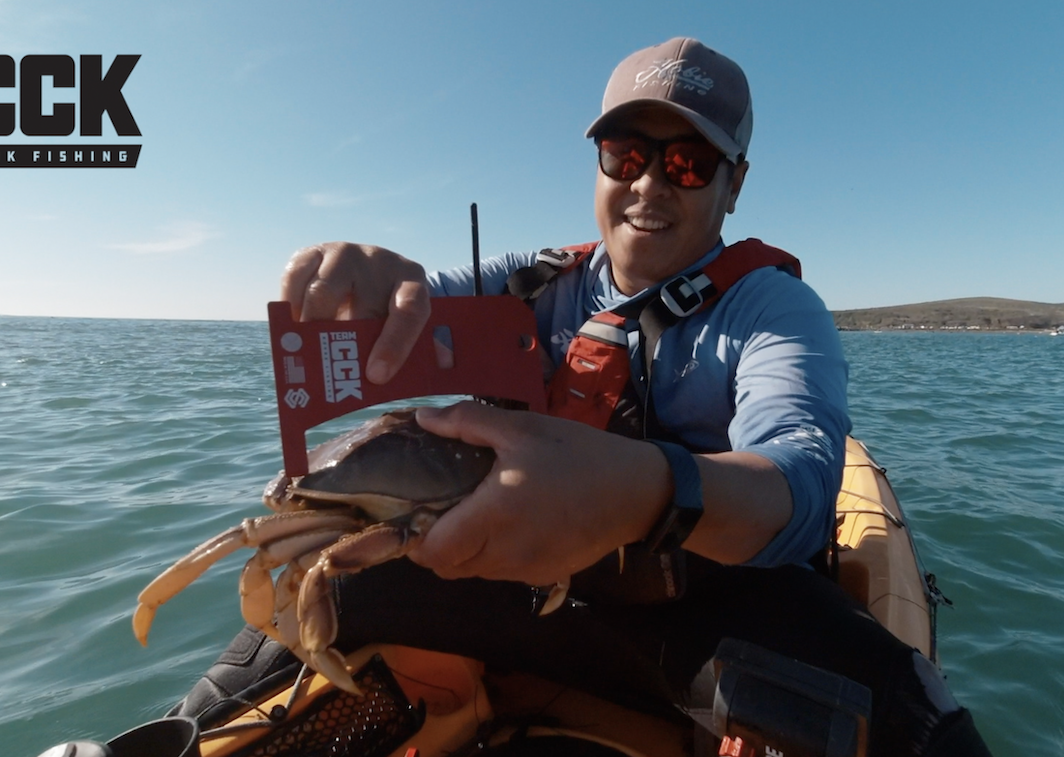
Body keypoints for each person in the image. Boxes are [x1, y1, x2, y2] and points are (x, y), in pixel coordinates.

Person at [178, 38, 991, 756]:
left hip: (687, 612)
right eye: (626, 153)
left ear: (733, 185)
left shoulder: (771, 310)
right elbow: (416, 310)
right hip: (504, 580)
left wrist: (645, 490)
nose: (648, 185)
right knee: (290, 609)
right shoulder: (529, 282)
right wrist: (377, 287)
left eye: (687, 163)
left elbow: (804, 486)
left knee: (918, 722)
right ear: (600, 160)